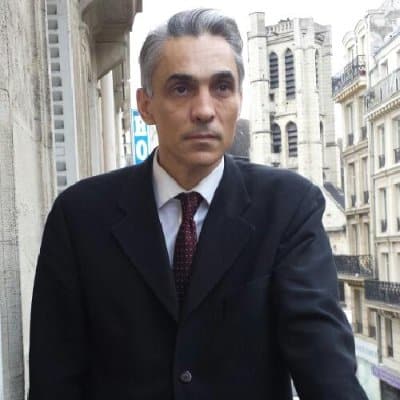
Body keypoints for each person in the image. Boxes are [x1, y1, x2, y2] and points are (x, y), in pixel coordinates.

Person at [29, 8, 368, 400]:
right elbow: (55, 378)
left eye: (222, 87)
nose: (205, 110)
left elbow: (325, 365)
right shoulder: (79, 217)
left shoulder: (288, 207)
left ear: (240, 98)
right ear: (146, 105)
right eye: (181, 89)